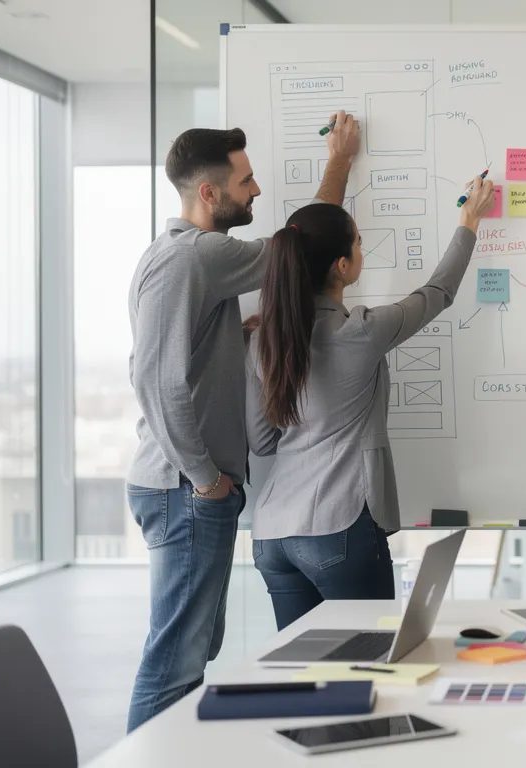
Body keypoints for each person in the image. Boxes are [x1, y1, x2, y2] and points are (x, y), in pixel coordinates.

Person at [125, 112, 360, 730]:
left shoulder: (188, 259)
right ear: (209, 194)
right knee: (175, 660)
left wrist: (235, 334)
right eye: (246, 181)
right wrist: (205, 480)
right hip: (185, 489)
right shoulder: (193, 258)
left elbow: (288, 255)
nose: (256, 190)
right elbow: (154, 380)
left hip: (184, 487)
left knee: (193, 650)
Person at [245, 179, 494, 630]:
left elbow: (263, 442)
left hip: (272, 535)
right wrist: (469, 222)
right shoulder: (360, 331)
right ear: (342, 266)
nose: (363, 248)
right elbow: (439, 292)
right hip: (338, 527)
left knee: (302, 671)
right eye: (359, 242)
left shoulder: (263, 338)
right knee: (369, 663)